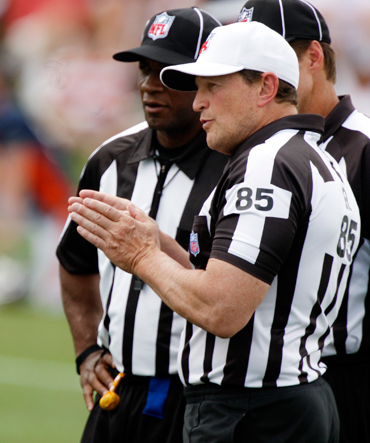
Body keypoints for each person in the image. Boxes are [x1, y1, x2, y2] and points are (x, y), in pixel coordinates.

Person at [69, 21, 360, 443]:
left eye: (212, 87)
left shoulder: (266, 167)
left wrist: (139, 256)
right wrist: (157, 243)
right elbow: (252, 284)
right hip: (290, 396)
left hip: (252, 409)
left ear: (265, 87)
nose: (199, 103)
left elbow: (223, 309)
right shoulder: (314, 158)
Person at [57, 8, 225, 443]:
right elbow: (75, 262)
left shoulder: (239, 170)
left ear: (207, 80)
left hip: (203, 396)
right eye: (145, 69)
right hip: (122, 388)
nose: (151, 84)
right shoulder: (110, 160)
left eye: (169, 73)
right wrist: (87, 352)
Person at [237, 2, 370, 441]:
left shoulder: (363, 149)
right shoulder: (245, 146)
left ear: (314, 57)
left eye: (271, 61)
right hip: (260, 380)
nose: (261, 79)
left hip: (344, 375)